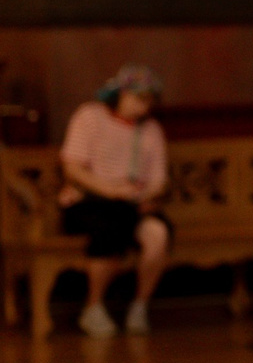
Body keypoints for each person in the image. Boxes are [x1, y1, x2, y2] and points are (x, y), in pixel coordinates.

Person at [56, 66, 171, 337]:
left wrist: (142, 195)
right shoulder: (90, 116)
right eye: (137, 98)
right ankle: (93, 305)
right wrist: (109, 189)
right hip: (91, 201)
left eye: (148, 101)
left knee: (158, 234)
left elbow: (158, 180)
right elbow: (72, 167)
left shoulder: (151, 129)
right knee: (111, 229)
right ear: (119, 94)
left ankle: (139, 306)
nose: (143, 107)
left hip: (132, 204)